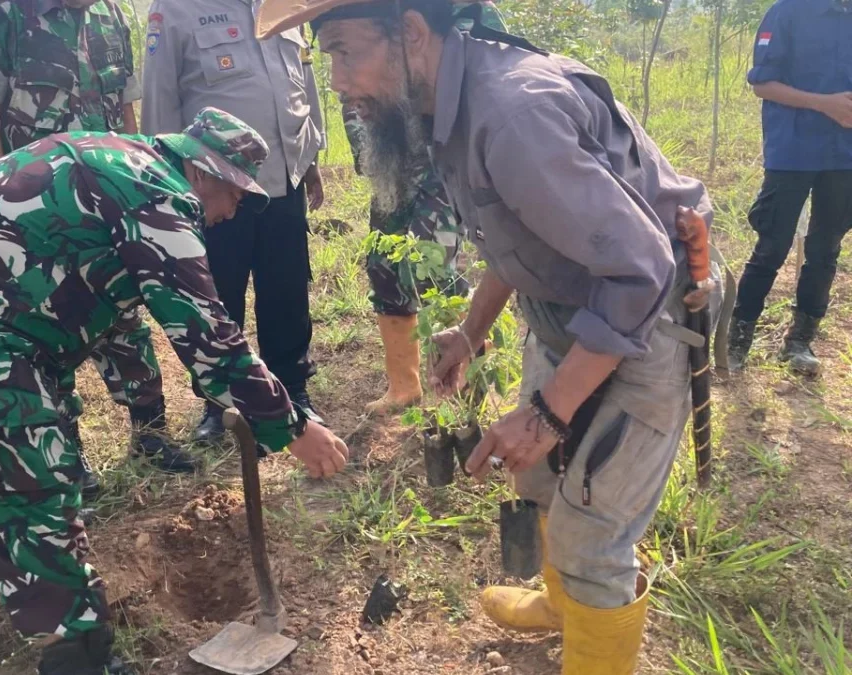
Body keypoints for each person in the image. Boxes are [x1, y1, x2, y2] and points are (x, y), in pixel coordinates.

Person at [256, 1, 718, 672]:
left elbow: (640, 270)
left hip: (644, 316)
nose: (340, 82)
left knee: (594, 531)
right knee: (541, 477)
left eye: (347, 53)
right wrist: (473, 333)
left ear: (411, 34)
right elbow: (513, 233)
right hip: (568, 305)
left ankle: (590, 612)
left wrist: (549, 408)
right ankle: (565, 606)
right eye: (329, 58)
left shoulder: (511, 115)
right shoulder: (447, 104)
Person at [0, 108, 349, 675]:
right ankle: (78, 656)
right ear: (204, 172)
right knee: (33, 468)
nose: (231, 211)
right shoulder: (157, 193)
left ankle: (42, 603)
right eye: (234, 193)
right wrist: (291, 427)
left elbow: (96, 302)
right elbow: (208, 336)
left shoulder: (122, 158)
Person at [0, 0, 199, 485]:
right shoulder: (2, 14)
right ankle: (69, 455)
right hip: (36, 210)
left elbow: (126, 114)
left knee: (124, 314)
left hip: (107, 202)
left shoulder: (111, 13)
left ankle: (151, 435)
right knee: (46, 327)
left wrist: (137, 184)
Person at [140, 0, 327, 444]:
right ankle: (220, 404)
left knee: (286, 285)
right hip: (215, 186)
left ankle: (292, 390)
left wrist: (311, 157)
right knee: (218, 291)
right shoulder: (176, 9)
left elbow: (303, 80)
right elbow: (161, 98)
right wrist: (166, 182)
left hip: (284, 176)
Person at [345, 0, 505, 416]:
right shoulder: (359, 19)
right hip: (395, 161)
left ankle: (470, 378)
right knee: (383, 263)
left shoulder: (461, 12)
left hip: (443, 158)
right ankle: (404, 385)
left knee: (431, 268)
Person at [726, 0, 852, 376]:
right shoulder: (789, 12)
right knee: (772, 246)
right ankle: (737, 340)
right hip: (793, 149)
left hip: (844, 154)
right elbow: (762, 85)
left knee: (825, 250)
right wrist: (822, 104)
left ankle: (799, 342)